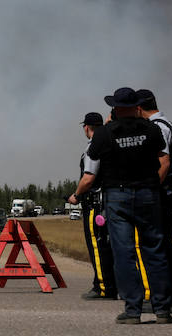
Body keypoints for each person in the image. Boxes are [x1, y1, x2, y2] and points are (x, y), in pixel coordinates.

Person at [86, 87, 172, 325]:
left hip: (117, 194)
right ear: (136, 106)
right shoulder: (151, 129)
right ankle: (163, 308)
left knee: (124, 252)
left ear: (114, 108)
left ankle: (133, 310)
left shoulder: (105, 133)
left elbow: (93, 155)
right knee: (154, 249)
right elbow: (161, 156)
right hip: (147, 193)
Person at [136, 89, 172, 313]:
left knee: (157, 246)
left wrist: (151, 190)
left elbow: (163, 163)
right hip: (163, 189)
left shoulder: (158, 127)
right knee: (162, 245)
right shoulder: (167, 123)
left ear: (139, 107)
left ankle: (165, 297)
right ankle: (168, 297)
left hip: (160, 191)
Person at [68, 112, 117, 300]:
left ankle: (103, 286)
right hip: (110, 202)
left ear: (87, 128)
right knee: (110, 245)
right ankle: (115, 283)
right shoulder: (112, 143)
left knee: (97, 245)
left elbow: (88, 178)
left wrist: (76, 195)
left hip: (95, 204)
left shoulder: (93, 147)